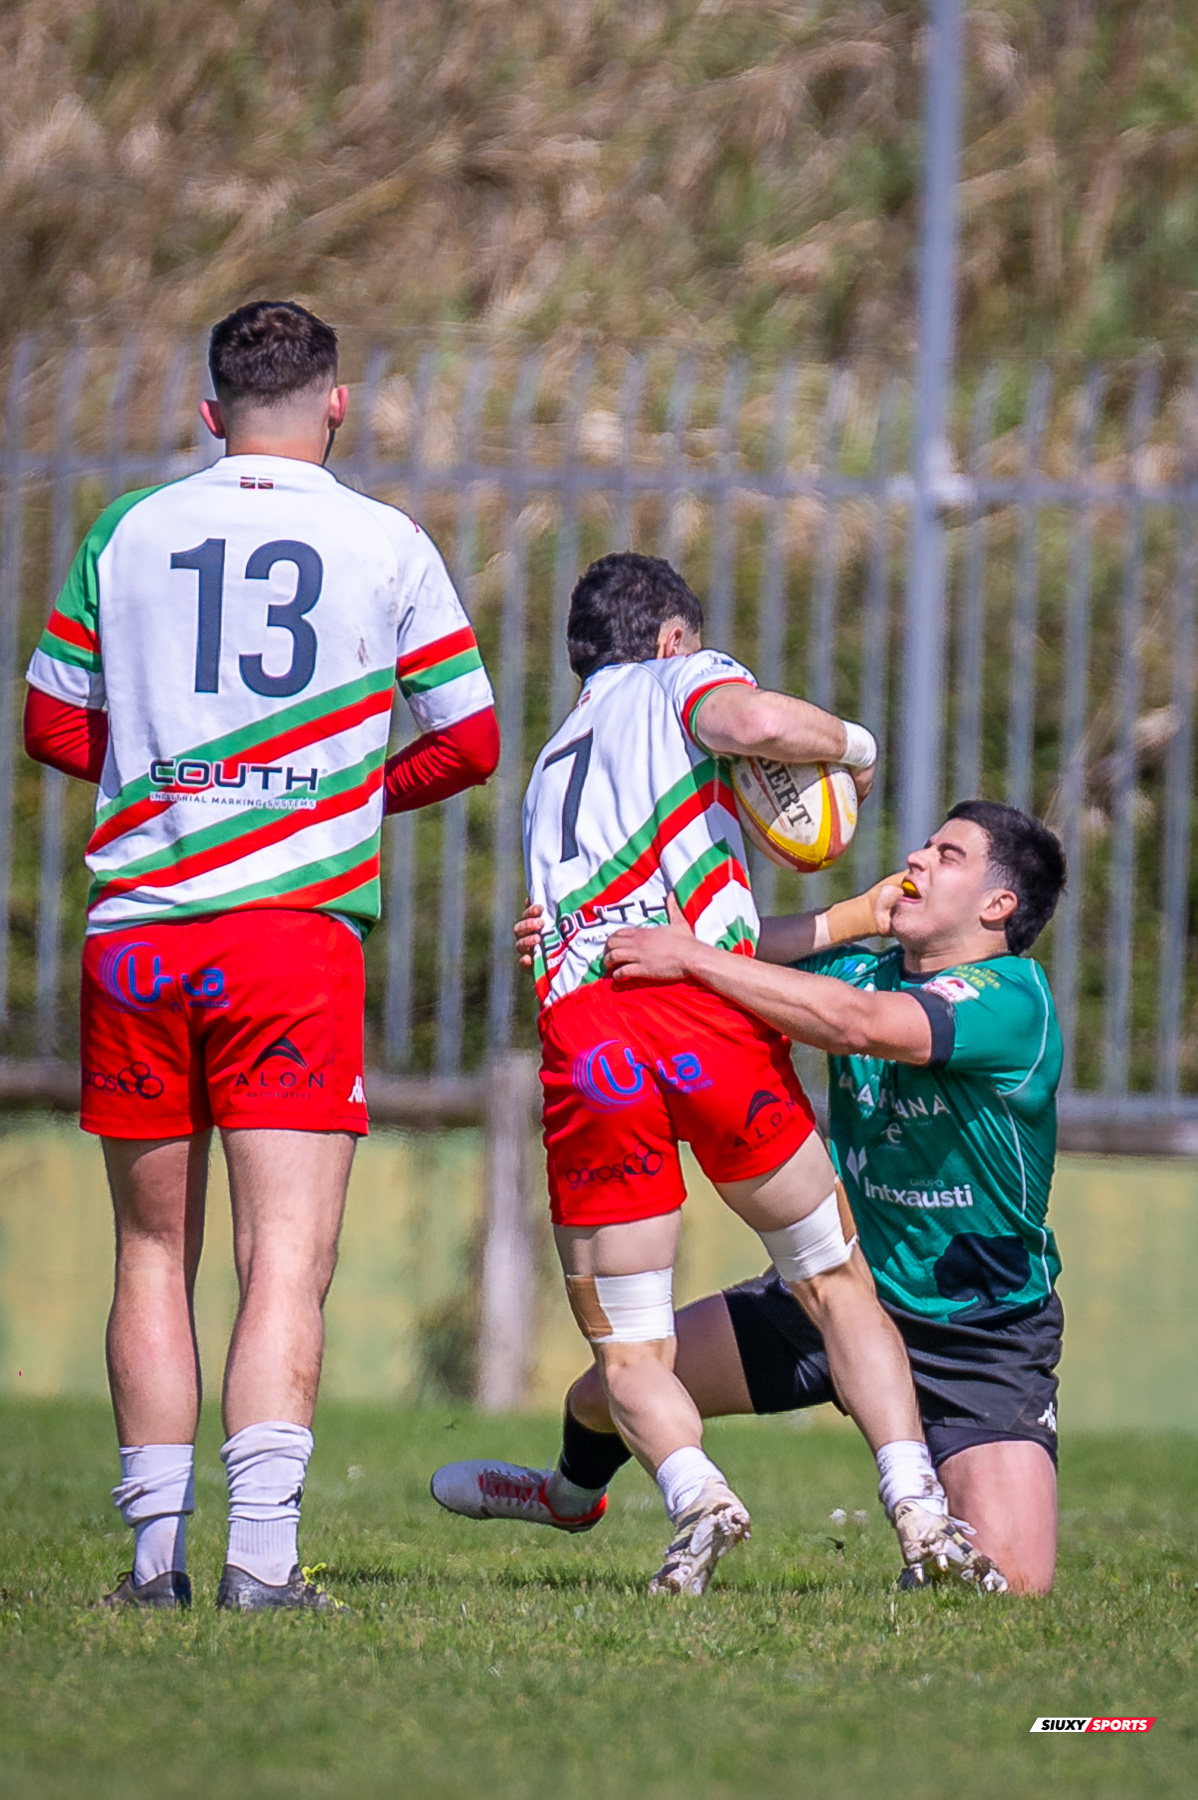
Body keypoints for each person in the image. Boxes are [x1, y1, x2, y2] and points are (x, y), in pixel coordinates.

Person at [24, 300, 499, 1611]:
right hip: (287, 943)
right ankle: (262, 1561)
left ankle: (152, 1565)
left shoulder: (126, 529)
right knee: (283, 1260)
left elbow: (52, 725)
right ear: (336, 405)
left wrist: (167, 782)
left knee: (148, 1254)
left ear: (208, 410)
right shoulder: (385, 539)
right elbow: (467, 740)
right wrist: (333, 797)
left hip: (136, 937)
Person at [432, 552, 1004, 1595]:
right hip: (706, 1025)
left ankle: (697, 1497)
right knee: (835, 1284)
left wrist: (850, 917)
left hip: (592, 1042)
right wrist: (856, 748)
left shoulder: (552, 767)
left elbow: (677, 932)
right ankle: (921, 1515)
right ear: (669, 639)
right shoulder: (678, 680)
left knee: (630, 1350)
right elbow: (753, 723)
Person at [439, 800, 1066, 1594]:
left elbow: (857, 1024)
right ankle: (565, 1497)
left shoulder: (1012, 998)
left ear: (998, 904)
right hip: (835, 1294)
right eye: (926, 844)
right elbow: (724, 942)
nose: (917, 858)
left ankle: (929, 1532)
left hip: (978, 1330)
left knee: (1014, 1585)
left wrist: (692, 957)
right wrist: (586, 938)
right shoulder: (860, 968)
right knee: (605, 1393)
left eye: (948, 856)